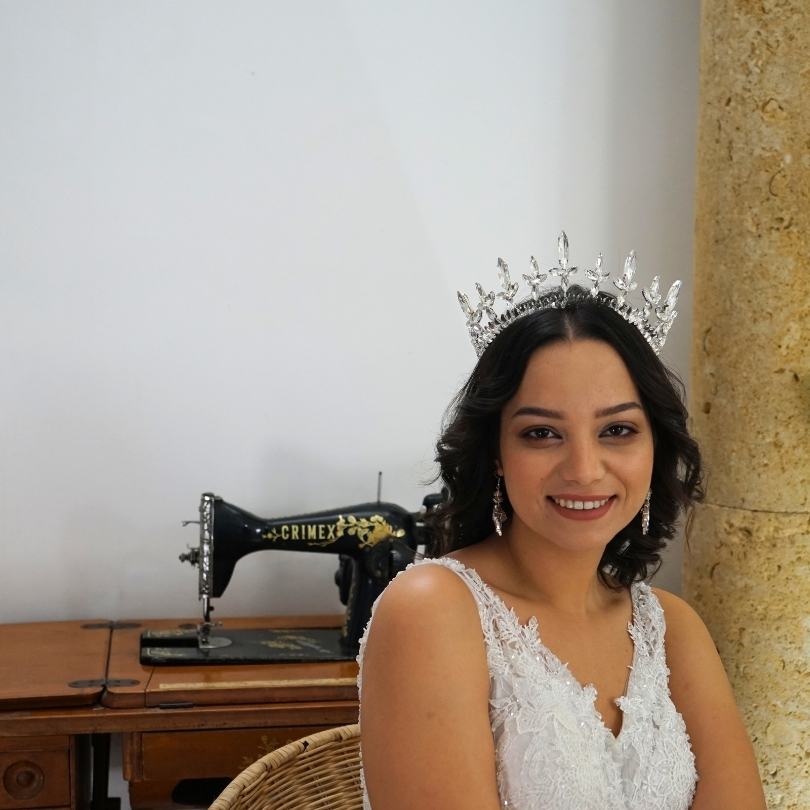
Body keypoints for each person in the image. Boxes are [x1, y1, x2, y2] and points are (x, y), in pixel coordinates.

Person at [357, 235, 766, 810]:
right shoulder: (432, 611)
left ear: (656, 445)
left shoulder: (673, 630)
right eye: (542, 433)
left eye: (617, 430)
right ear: (496, 452)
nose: (583, 468)